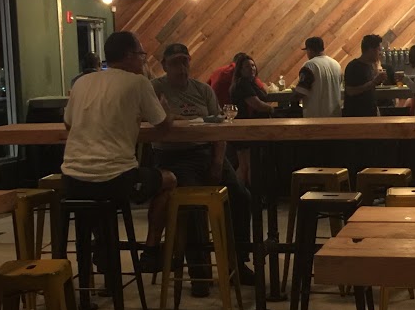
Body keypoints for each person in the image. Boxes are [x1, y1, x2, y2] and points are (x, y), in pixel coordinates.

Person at [61, 30, 176, 273]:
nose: (143, 60)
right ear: (129, 55)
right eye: (141, 55)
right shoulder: (138, 82)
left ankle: (103, 250)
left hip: (72, 180)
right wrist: (167, 109)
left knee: (96, 195)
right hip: (116, 181)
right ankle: (151, 250)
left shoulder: (82, 82)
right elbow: (163, 126)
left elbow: (68, 124)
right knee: (169, 179)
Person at [151, 43, 254, 292]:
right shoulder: (155, 89)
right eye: (175, 62)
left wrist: (218, 162)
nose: (181, 68)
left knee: (241, 196)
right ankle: (200, 272)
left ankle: (237, 262)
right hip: (174, 156)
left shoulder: (203, 90)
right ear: (164, 65)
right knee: (193, 205)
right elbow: (154, 121)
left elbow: (219, 128)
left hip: (207, 151)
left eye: (185, 61)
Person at [229, 54, 273, 185]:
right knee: (249, 164)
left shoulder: (249, 82)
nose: (252, 68)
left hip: (245, 127)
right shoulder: (243, 84)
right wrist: (272, 110)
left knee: (245, 165)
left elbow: (264, 93)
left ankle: (242, 192)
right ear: (240, 70)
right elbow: (256, 104)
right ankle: (249, 193)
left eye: (253, 65)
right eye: (247, 67)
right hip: (245, 129)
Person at [292, 37, 342, 118]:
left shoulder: (310, 65)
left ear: (309, 50)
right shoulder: (336, 64)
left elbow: (301, 92)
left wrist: (295, 91)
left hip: (316, 116)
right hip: (335, 116)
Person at [343, 34, 385, 117]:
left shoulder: (370, 66)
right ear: (370, 50)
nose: (381, 53)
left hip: (370, 113)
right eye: (379, 50)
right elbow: (350, 91)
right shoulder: (354, 66)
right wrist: (374, 82)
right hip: (356, 115)